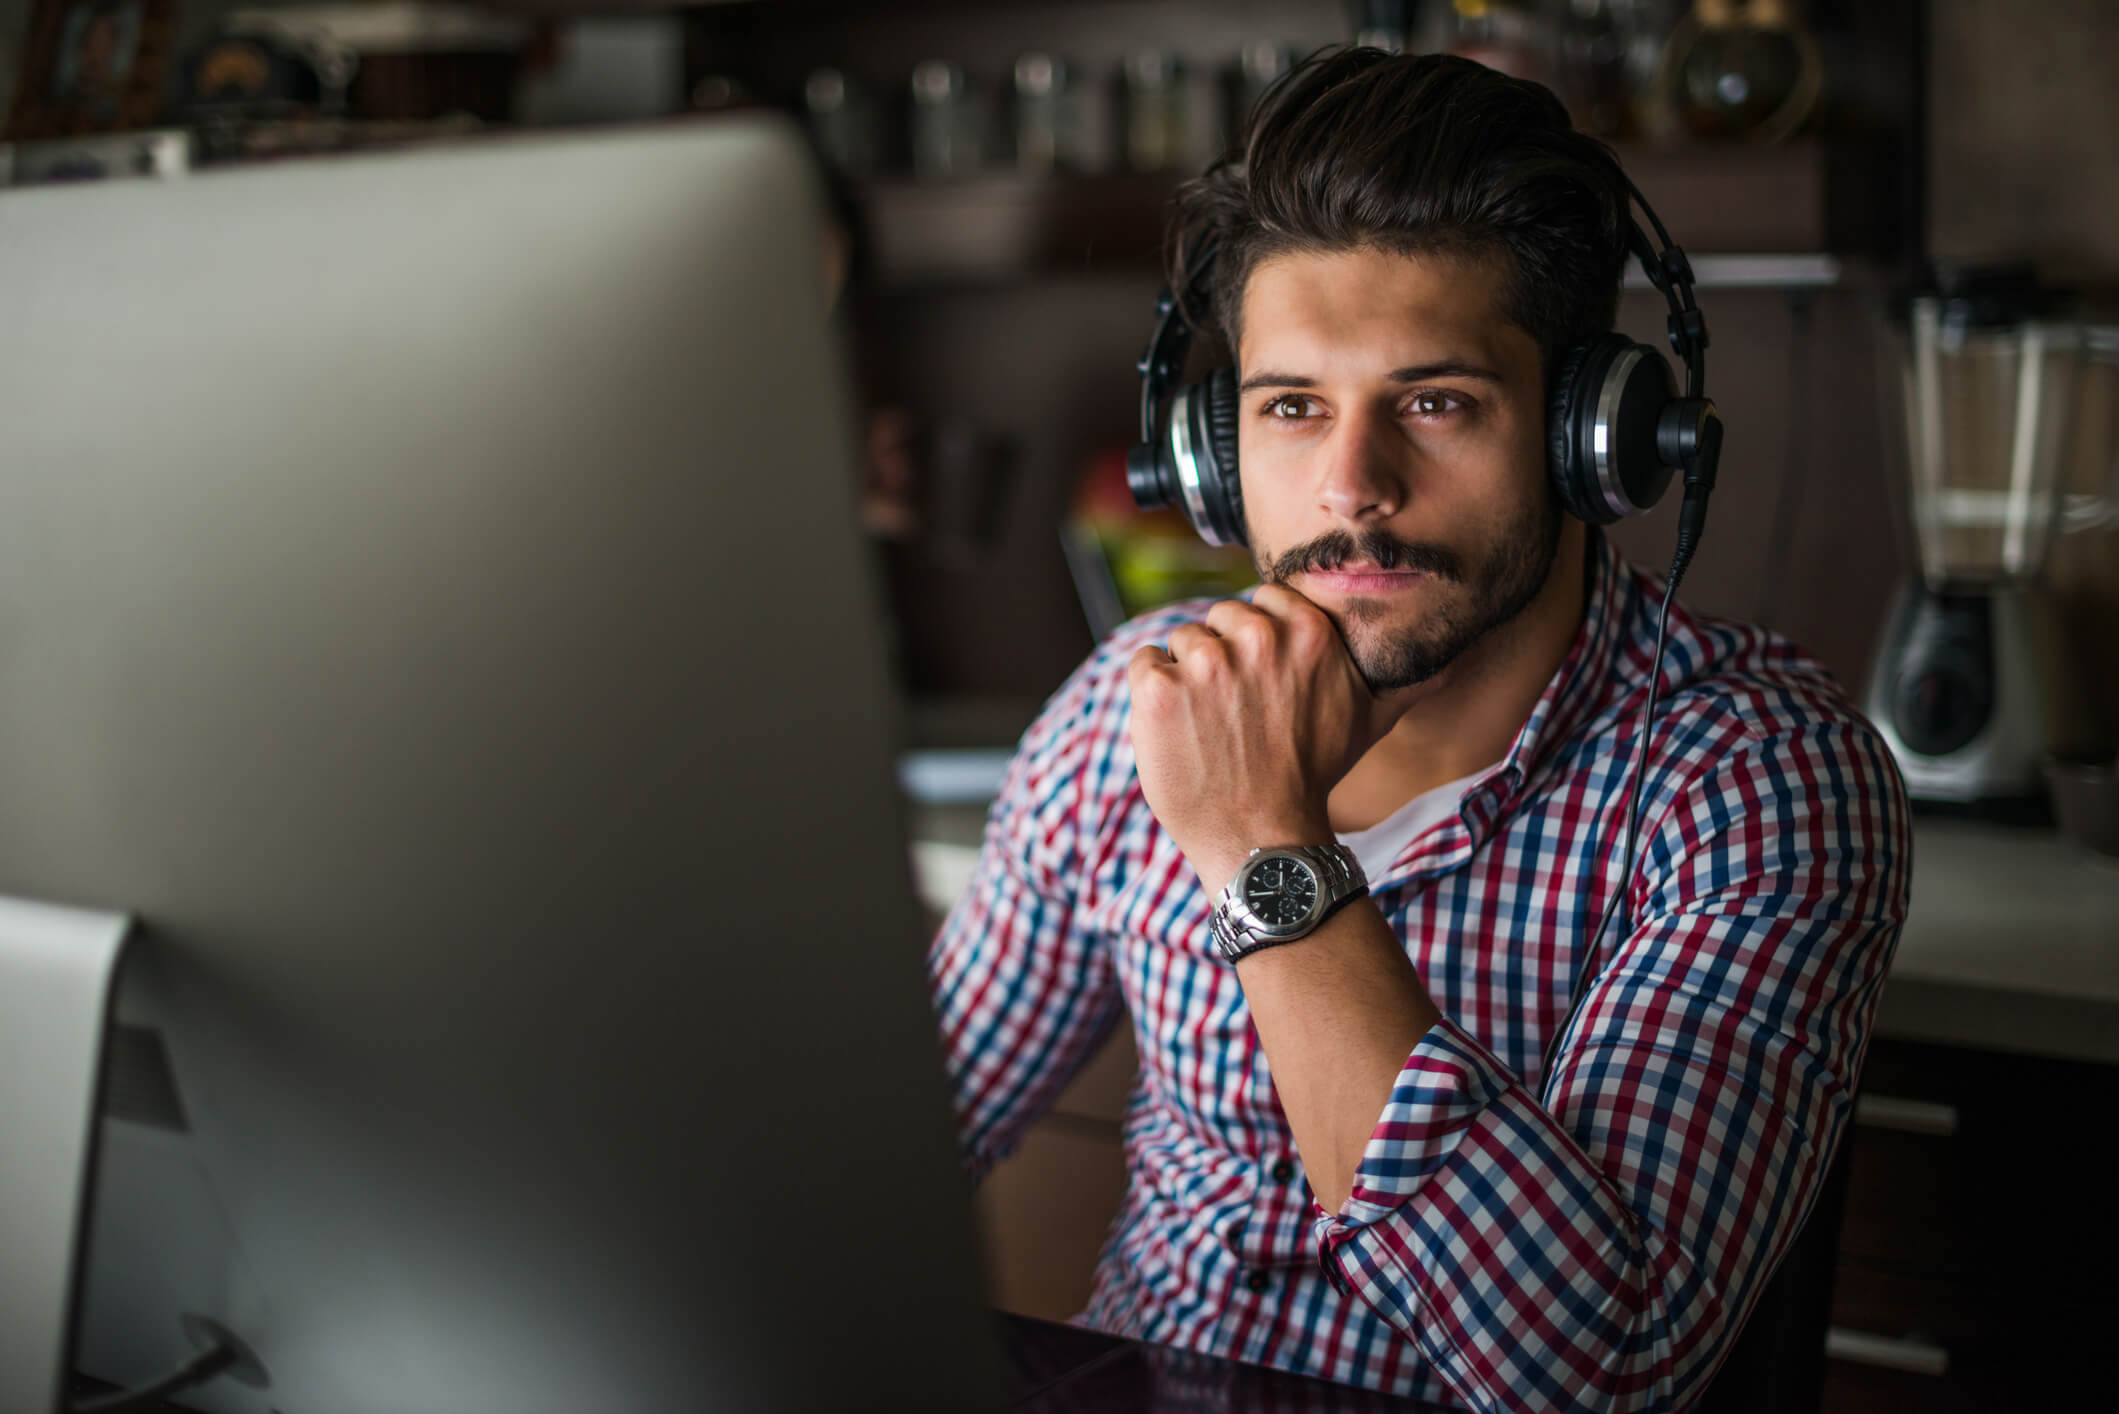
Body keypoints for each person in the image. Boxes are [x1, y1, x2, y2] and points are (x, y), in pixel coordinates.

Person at [925, 48, 1911, 1412]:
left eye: (1435, 402)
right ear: (1215, 456)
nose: (1352, 485)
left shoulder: (1754, 782)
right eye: (1291, 408)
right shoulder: (1135, 705)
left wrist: (1266, 846)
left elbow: (1593, 1366)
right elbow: (896, 1147)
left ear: (1590, 433)